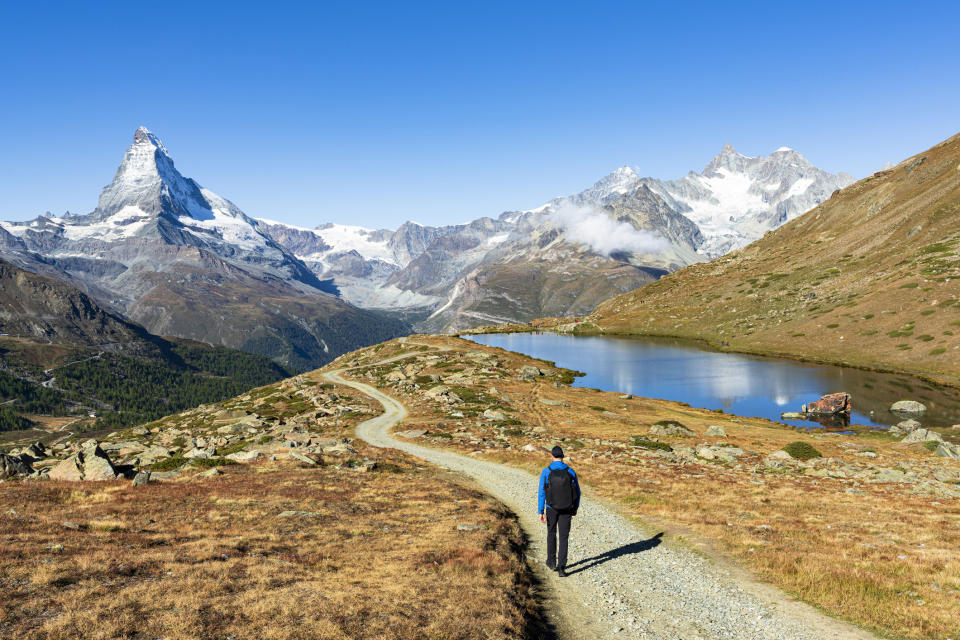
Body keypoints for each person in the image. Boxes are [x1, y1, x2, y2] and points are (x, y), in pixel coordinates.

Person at [538, 445, 580, 577]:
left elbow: (541, 493)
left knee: (551, 533)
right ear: (563, 456)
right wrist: (575, 507)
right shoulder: (570, 471)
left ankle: (551, 562)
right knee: (563, 537)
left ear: (552, 456)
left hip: (551, 508)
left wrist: (541, 511)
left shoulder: (546, 471)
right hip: (567, 508)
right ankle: (561, 567)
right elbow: (577, 492)